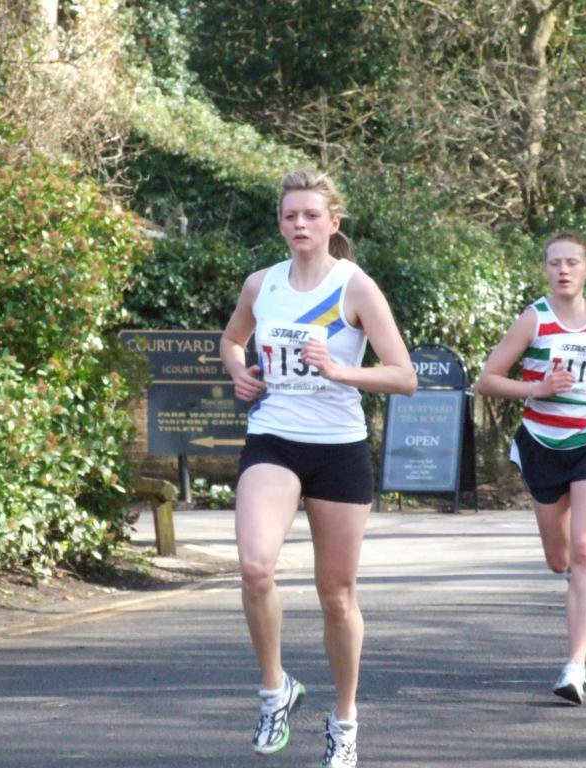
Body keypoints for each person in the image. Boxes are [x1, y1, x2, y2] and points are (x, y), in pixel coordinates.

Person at [220, 169, 416, 767]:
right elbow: (232, 340)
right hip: (274, 439)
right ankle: (275, 690)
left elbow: (404, 376)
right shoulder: (261, 284)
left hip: (338, 449)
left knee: (336, 596)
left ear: (334, 222)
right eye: (290, 216)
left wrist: (339, 371)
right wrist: (240, 373)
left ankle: (345, 721)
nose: (300, 224)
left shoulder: (356, 287)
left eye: (311, 215)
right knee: (255, 567)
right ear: (280, 224)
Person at [476, 231, 586, 705]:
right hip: (543, 444)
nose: (563, 270)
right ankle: (571, 578)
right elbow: (487, 380)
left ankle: (575, 666)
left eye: (572, 262)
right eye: (555, 263)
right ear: (546, 270)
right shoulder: (533, 319)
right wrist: (537, 389)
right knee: (560, 560)